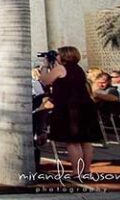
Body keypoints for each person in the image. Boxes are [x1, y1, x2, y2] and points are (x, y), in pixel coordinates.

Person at [39, 46, 102, 175]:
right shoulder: (79, 69)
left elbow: (44, 80)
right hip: (85, 106)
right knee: (85, 141)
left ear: (63, 56)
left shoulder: (61, 68)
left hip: (70, 108)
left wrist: (45, 66)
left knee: (73, 142)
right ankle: (86, 170)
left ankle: (76, 171)